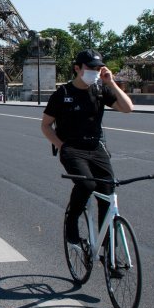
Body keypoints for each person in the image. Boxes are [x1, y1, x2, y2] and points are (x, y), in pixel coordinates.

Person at [41, 49, 134, 249]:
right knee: (86, 185)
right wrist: (61, 145)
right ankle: (71, 221)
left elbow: (128, 108)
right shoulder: (62, 94)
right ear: (77, 68)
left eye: (98, 68)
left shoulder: (100, 90)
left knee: (108, 192)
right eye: (91, 67)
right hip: (72, 148)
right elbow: (46, 125)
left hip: (96, 147)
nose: (95, 71)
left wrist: (111, 82)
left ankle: (108, 252)